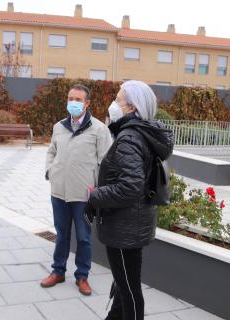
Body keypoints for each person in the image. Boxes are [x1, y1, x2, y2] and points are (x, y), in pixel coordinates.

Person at [86, 80, 174, 319]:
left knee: (129, 289)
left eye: (118, 99)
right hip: (132, 223)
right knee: (123, 283)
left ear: (132, 108)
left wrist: (95, 196)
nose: (113, 103)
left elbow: (131, 186)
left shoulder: (129, 138)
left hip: (125, 226)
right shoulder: (141, 133)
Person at [40, 84, 113, 296]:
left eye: (78, 99)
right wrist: (49, 171)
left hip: (83, 195)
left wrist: (97, 190)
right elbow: (51, 152)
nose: (73, 102)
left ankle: (82, 276)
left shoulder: (99, 129)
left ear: (87, 103)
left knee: (83, 237)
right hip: (59, 192)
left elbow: (105, 163)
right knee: (61, 235)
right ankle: (58, 271)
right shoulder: (59, 127)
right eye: (70, 98)